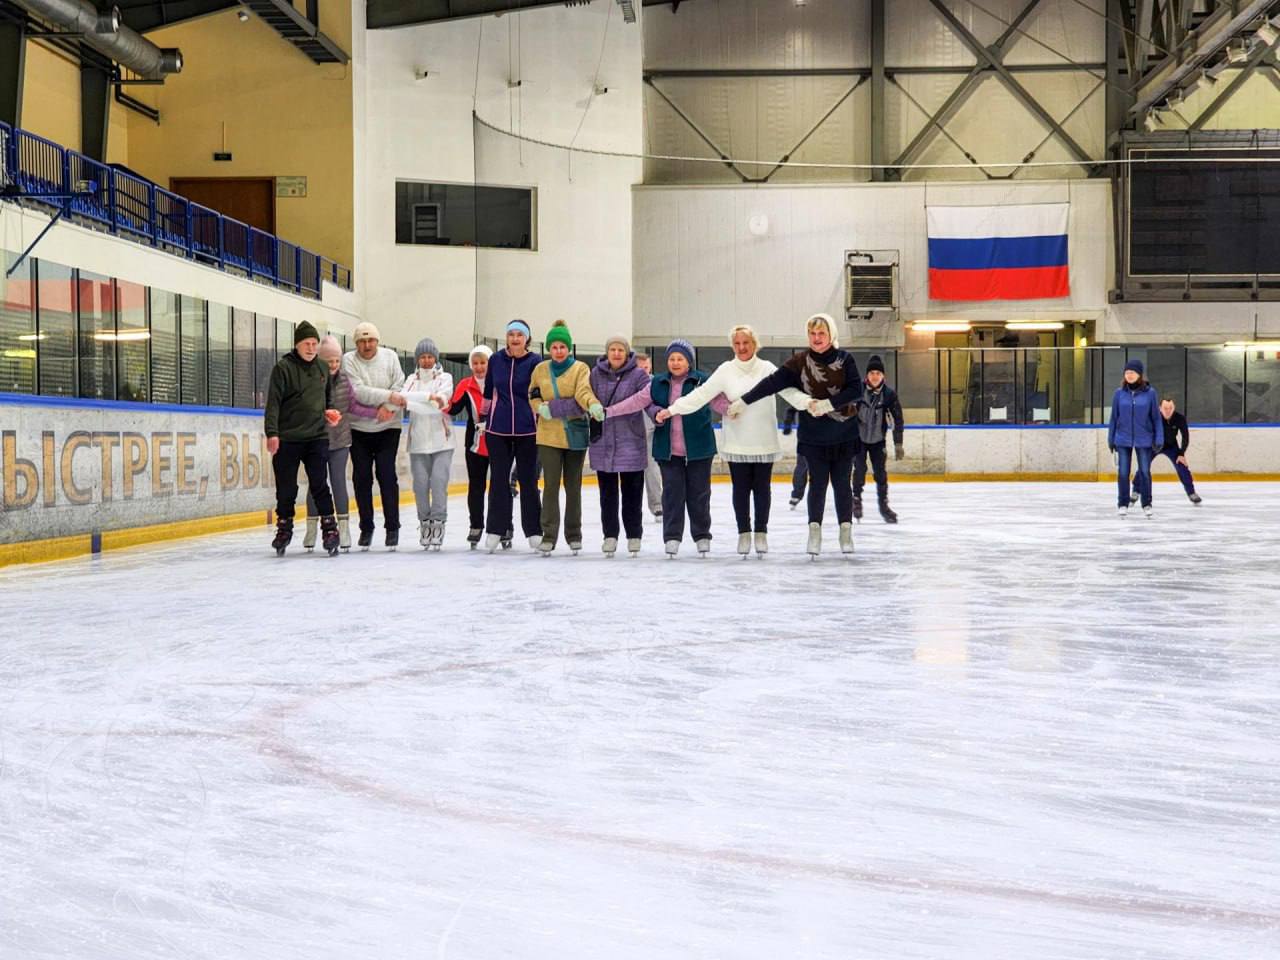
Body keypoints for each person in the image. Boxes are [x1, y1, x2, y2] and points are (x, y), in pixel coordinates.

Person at [659, 324, 807, 558]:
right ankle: (744, 533)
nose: (741, 347)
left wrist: (810, 404)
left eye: (746, 342)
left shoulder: (767, 368)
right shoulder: (726, 370)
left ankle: (761, 532)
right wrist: (673, 409)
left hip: (764, 440)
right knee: (740, 489)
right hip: (737, 441)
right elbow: (701, 395)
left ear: (755, 344)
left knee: (762, 489)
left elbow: (790, 392)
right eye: (737, 343)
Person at [737, 313, 863, 558]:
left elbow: (856, 390)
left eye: (821, 333)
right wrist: (744, 401)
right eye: (812, 333)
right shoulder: (799, 362)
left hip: (844, 434)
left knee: (842, 484)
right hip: (814, 436)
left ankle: (845, 531)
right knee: (817, 484)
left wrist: (828, 404)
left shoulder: (845, 359)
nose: (817, 338)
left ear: (831, 334)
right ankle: (814, 533)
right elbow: (771, 383)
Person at [608, 340, 716, 558]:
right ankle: (672, 537)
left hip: (699, 448)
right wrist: (609, 411)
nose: (675, 363)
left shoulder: (702, 381)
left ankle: (702, 536)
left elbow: (719, 402)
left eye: (680, 359)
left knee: (699, 494)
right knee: (672, 495)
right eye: (671, 359)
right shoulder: (658, 382)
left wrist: (736, 408)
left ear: (689, 361)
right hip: (668, 451)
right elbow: (637, 401)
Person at [264, 321, 342, 557]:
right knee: (286, 486)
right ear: (297, 344)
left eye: (314, 344)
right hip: (288, 438)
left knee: (319, 483)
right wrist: (272, 433)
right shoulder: (283, 368)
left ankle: (329, 527)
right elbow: (273, 403)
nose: (311, 348)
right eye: (306, 343)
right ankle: (284, 527)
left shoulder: (322, 368)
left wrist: (330, 411)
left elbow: (327, 398)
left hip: (316, 436)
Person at [528, 320, 602, 554]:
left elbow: (582, 394)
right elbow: (533, 394)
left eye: (562, 346)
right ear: (549, 348)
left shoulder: (581, 369)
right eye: (554, 347)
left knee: (573, 486)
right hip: (548, 435)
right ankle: (549, 535)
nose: (558, 351)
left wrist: (592, 404)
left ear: (569, 348)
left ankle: (574, 534)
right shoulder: (540, 369)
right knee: (550, 486)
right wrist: (540, 407)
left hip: (574, 434)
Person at [303, 336, 378, 553]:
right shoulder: (311, 380)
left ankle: (344, 530)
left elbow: (353, 406)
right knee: (316, 483)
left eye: (337, 360)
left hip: (341, 440)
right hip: (316, 440)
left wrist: (375, 413)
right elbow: (304, 408)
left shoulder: (345, 380)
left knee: (338, 482)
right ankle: (311, 529)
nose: (334, 365)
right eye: (329, 361)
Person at [342, 322, 408, 550]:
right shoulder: (349, 360)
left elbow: (400, 386)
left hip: (389, 426)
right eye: (362, 341)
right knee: (361, 478)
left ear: (377, 341)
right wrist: (388, 397)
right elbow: (357, 391)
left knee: (386, 474)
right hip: (358, 428)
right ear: (356, 343)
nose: (367, 345)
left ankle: (392, 527)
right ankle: (366, 527)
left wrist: (388, 408)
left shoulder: (390, 357)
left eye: (371, 340)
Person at [483, 319, 543, 552]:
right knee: (498, 480)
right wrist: (483, 418)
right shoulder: (496, 360)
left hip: (528, 429)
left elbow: (539, 392)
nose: (515, 338)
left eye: (520, 335)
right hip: (497, 429)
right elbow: (489, 391)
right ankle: (495, 529)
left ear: (527, 338)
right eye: (511, 334)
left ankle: (534, 531)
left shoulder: (535, 361)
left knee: (528, 480)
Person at [589, 334, 652, 557]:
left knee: (632, 495)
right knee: (607, 496)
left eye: (620, 350)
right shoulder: (595, 374)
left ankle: (634, 536)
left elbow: (647, 399)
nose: (616, 353)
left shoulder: (638, 375)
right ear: (607, 352)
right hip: (603, 443)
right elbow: (585, 398)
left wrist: (659, 415)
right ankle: (610, 536)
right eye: (612, 349)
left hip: (631, 442)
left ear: (627, 353)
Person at [401, 338, 455, 550]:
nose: (426, 360)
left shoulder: (445, 378)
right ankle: (425, 523)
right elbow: (403, 398)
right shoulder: (410, 379)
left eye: (430, 356)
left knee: (439, 483)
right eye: (422, 357)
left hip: (443, 441)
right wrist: (427, 398)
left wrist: (415, 402)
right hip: (418, 442)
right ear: (417, 359)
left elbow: (440, 403)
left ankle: (438, 522)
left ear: (435, 358)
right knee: (420, 486)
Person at [448, 345, 493, 548]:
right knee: (476, 486)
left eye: (483, 362)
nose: (479, 367)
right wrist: (438, 399)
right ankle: (475, 525)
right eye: (475, 363)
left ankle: (504, 525)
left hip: (499, 441)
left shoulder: (499, 383)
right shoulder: (465, 385)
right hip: (474, 443)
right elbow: (453, 408)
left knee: (500, 486)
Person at [853, 354, 905, 524]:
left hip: (878, 440)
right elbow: (845, 414)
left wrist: (898, 443)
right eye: (872, 373)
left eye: (878, 373)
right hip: (858, 440)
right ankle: (856, 500)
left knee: (881, 474)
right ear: (867, 375)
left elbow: (898, 419)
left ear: (883, 376)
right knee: (859, 470)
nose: (875, 376)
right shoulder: (857, 391)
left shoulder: (889, 395)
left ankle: (884, 506)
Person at [1107, 358, 1163, 519]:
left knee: (1144, 472)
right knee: (1123, 472)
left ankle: (1146, 504)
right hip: (1122, 438)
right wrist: (1111, 439)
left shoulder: (1150, 393)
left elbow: (1156, 418)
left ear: (1139, 374)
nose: (1129, 375)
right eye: (1127, 372)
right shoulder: (1119, 394)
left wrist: (1159, 438)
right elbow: (1113, 418)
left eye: (1132, 372)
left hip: (1144, 438)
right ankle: (1123, 503)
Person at [1132, 396, 1202, 507]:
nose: (1168, 411)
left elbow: (1185, 437)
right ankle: (1136, 491)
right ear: (1160, 408)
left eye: (1170, 408)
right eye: (1165, 408)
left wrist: (1181, 453)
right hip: (1153, 445)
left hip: (1171, 446)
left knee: (1182, 466)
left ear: (1174, 408)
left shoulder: (1179, 418)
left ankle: (1191, 492)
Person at [635, 352, 663, 519]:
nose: (644, 371)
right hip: (631, 435)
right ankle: (632, 508)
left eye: (646, 367)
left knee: (653, 471)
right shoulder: (627, 383)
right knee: (632, 476)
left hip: (651, 434)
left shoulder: (656, 383)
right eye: (640, 368)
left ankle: (657, 505)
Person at [783, 406, 808, 509]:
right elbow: (791, 408)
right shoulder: (804, 396)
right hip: (806, 436)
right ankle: (796, 494)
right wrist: (787, 424)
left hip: (831, 435)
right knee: (802, 466)